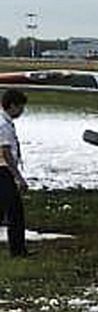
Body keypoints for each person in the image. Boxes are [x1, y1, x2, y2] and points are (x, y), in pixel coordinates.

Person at [0, 89, 30, 257]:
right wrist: (18, 177)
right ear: (12, 106)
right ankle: (18, 251)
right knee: (15, 212)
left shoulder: (3, 121)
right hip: (3, 171)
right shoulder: (3, 125)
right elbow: (5, 152)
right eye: (20, 107)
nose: (21, 111)